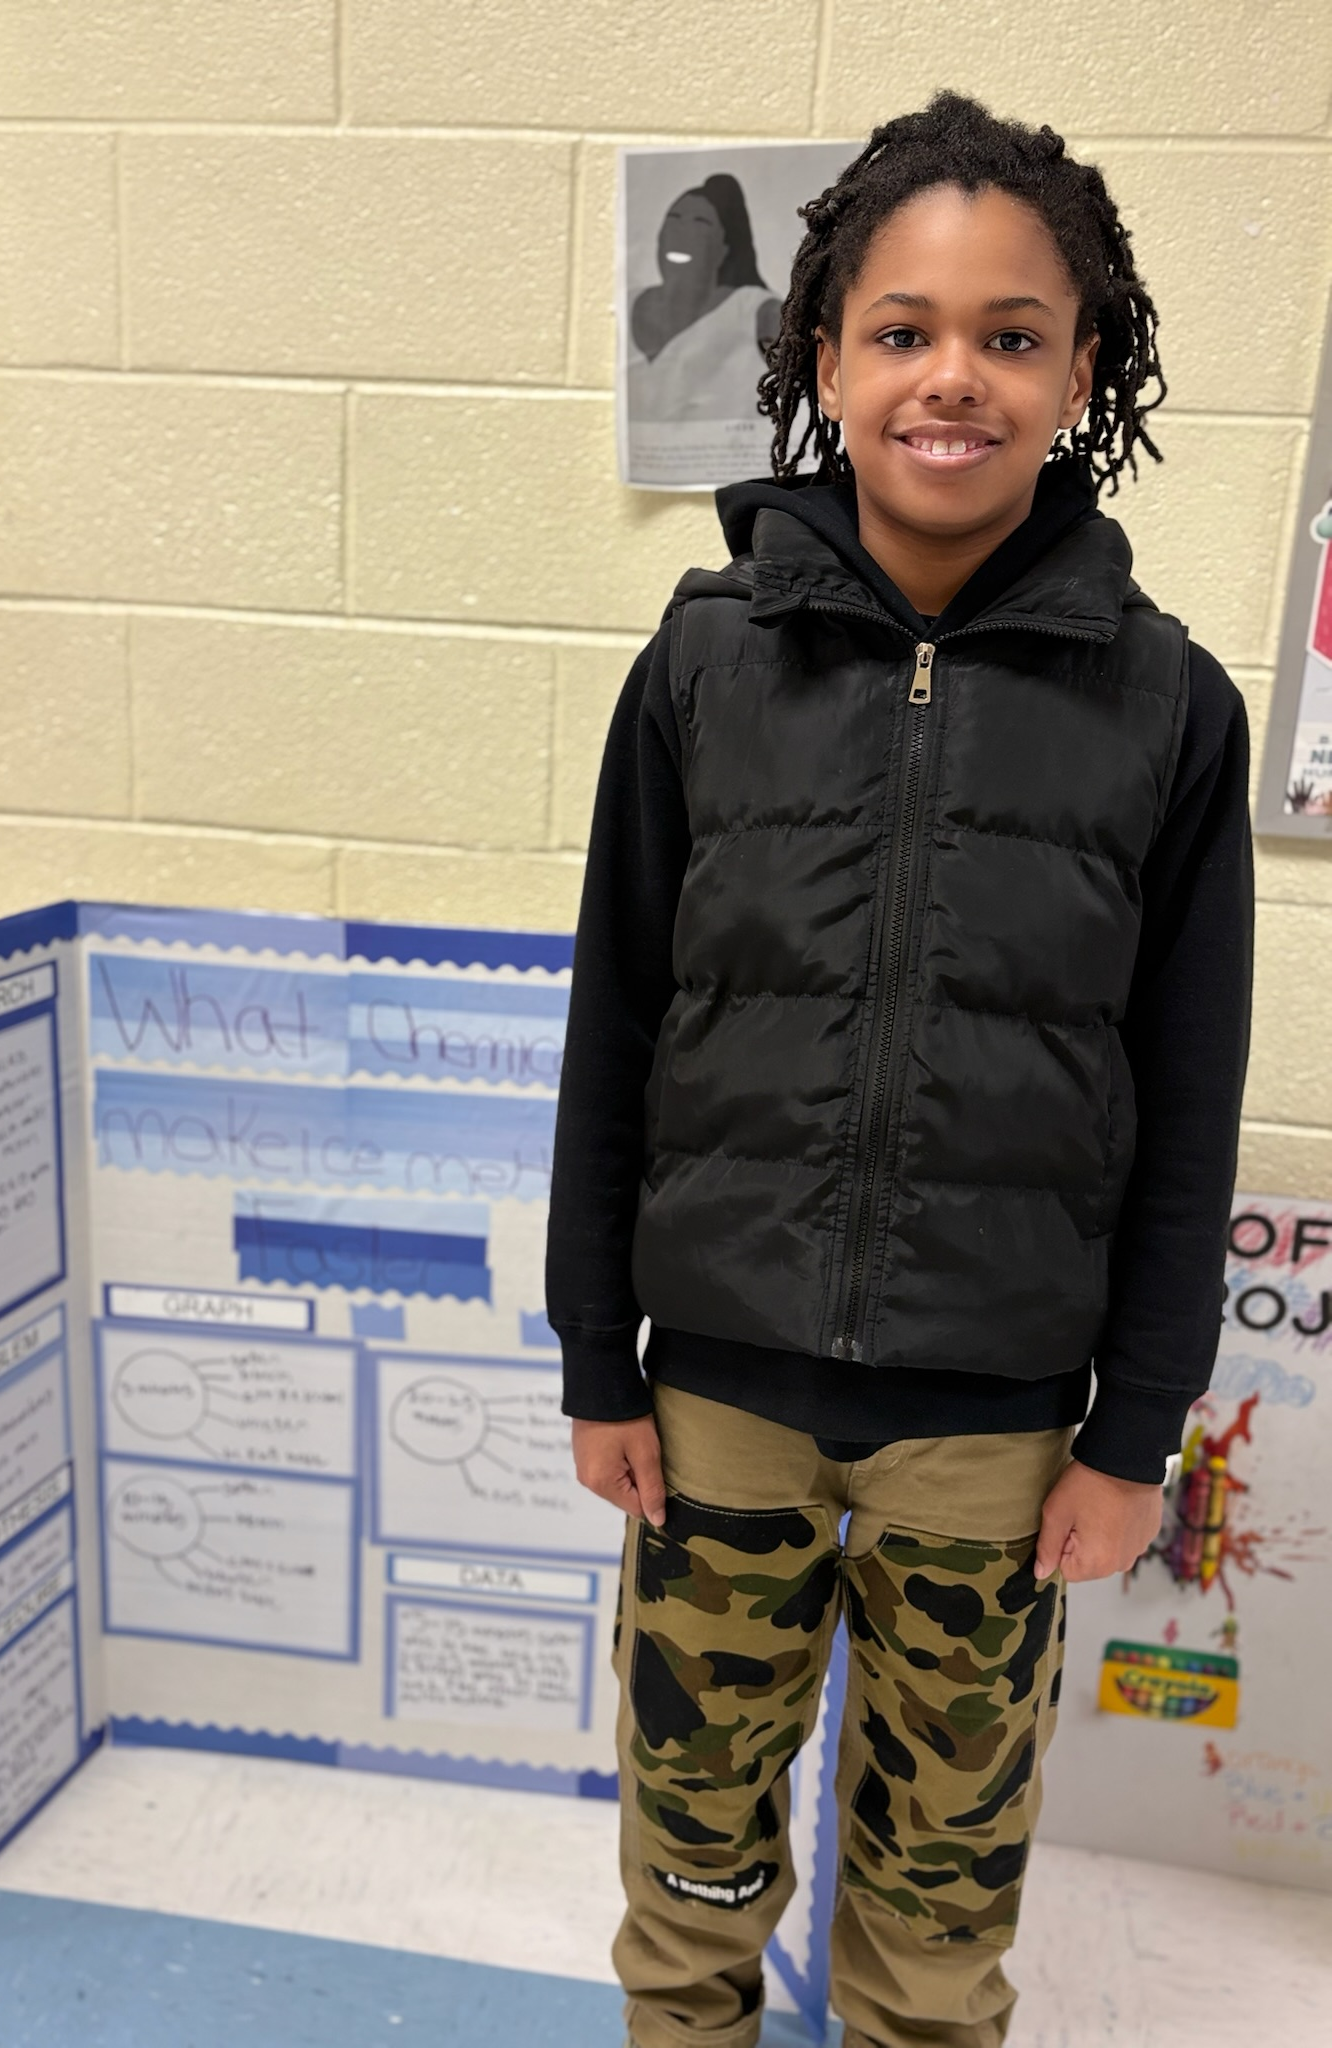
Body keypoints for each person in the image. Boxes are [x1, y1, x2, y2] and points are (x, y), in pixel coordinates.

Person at [547, 92, 1252, 2048]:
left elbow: (1184, 1097)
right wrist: (599, 1350)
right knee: (692, 1864)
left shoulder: (1170, 709)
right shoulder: (704, 665)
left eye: (1012, 335)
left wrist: (1134, 1430)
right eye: (904, 329)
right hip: (719, 1409)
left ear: (1082, 372)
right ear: (826, 356)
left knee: (942, 1903)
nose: (955, 377)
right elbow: (619, 1024)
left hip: (996, 1436)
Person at [628, 174, 782, 424]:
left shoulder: (756, 311)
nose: (681, 233)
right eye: (674, 219)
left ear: (724, 248)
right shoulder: (627, 303)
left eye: (700, 223)